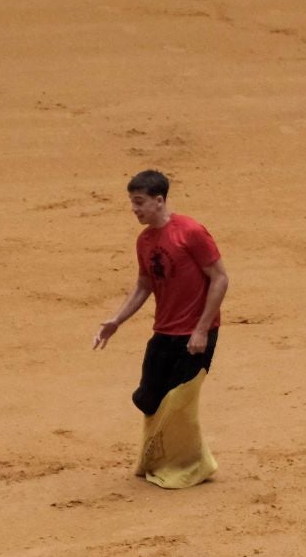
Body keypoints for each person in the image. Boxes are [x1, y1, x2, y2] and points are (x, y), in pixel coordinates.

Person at [92, 169, 228, 489]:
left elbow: (220, 278)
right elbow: (143, 285)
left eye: (139, 202)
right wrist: (116, 320)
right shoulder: (145, 241)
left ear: (159, 200)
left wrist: (201, 329)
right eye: (132, 202)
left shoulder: (191, 232)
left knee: (178, 402)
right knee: (149, 399)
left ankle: (195, 464)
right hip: (164, 331)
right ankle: (160, 457)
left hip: (193, 335)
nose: (134, 209)